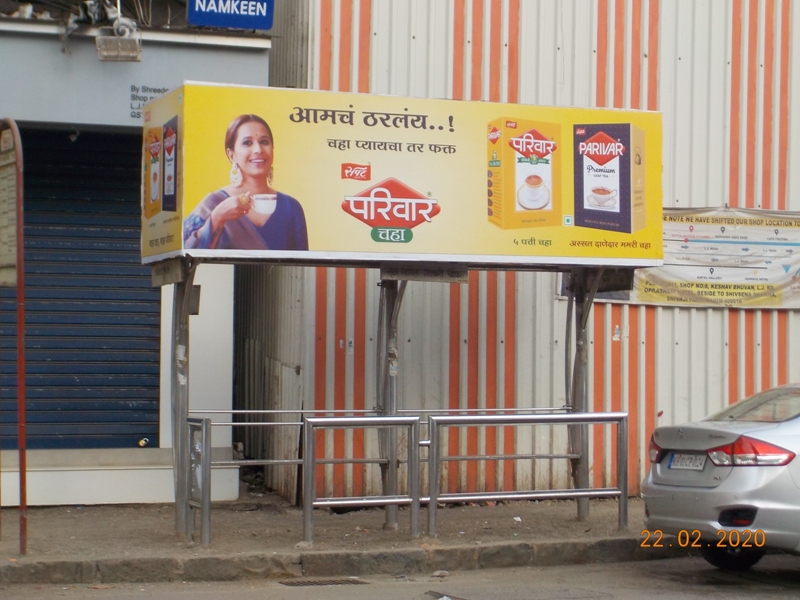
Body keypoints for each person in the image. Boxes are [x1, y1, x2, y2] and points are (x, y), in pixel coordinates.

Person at [183, 114, 309, 250]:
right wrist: (218, 217)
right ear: (232, 155)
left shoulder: (291, 208)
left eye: (264, 142)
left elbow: (301, 267)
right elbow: (185, 256)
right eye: (247, 143)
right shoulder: (214, 203)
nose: (258, 150)